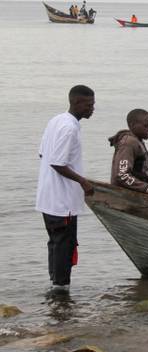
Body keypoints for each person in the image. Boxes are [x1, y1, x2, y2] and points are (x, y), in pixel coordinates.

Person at [36, 85, 96, 294]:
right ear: (77, 102)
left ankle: (55, 284)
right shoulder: (69, 128)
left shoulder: (56, 120)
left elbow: (43, 154)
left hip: (47, 197)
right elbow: (57, 162)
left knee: (55, 242)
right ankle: (61, 289)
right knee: (65, 244)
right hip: (62, 201)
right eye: (89, 105)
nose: (92, 108)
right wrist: (82, 181)